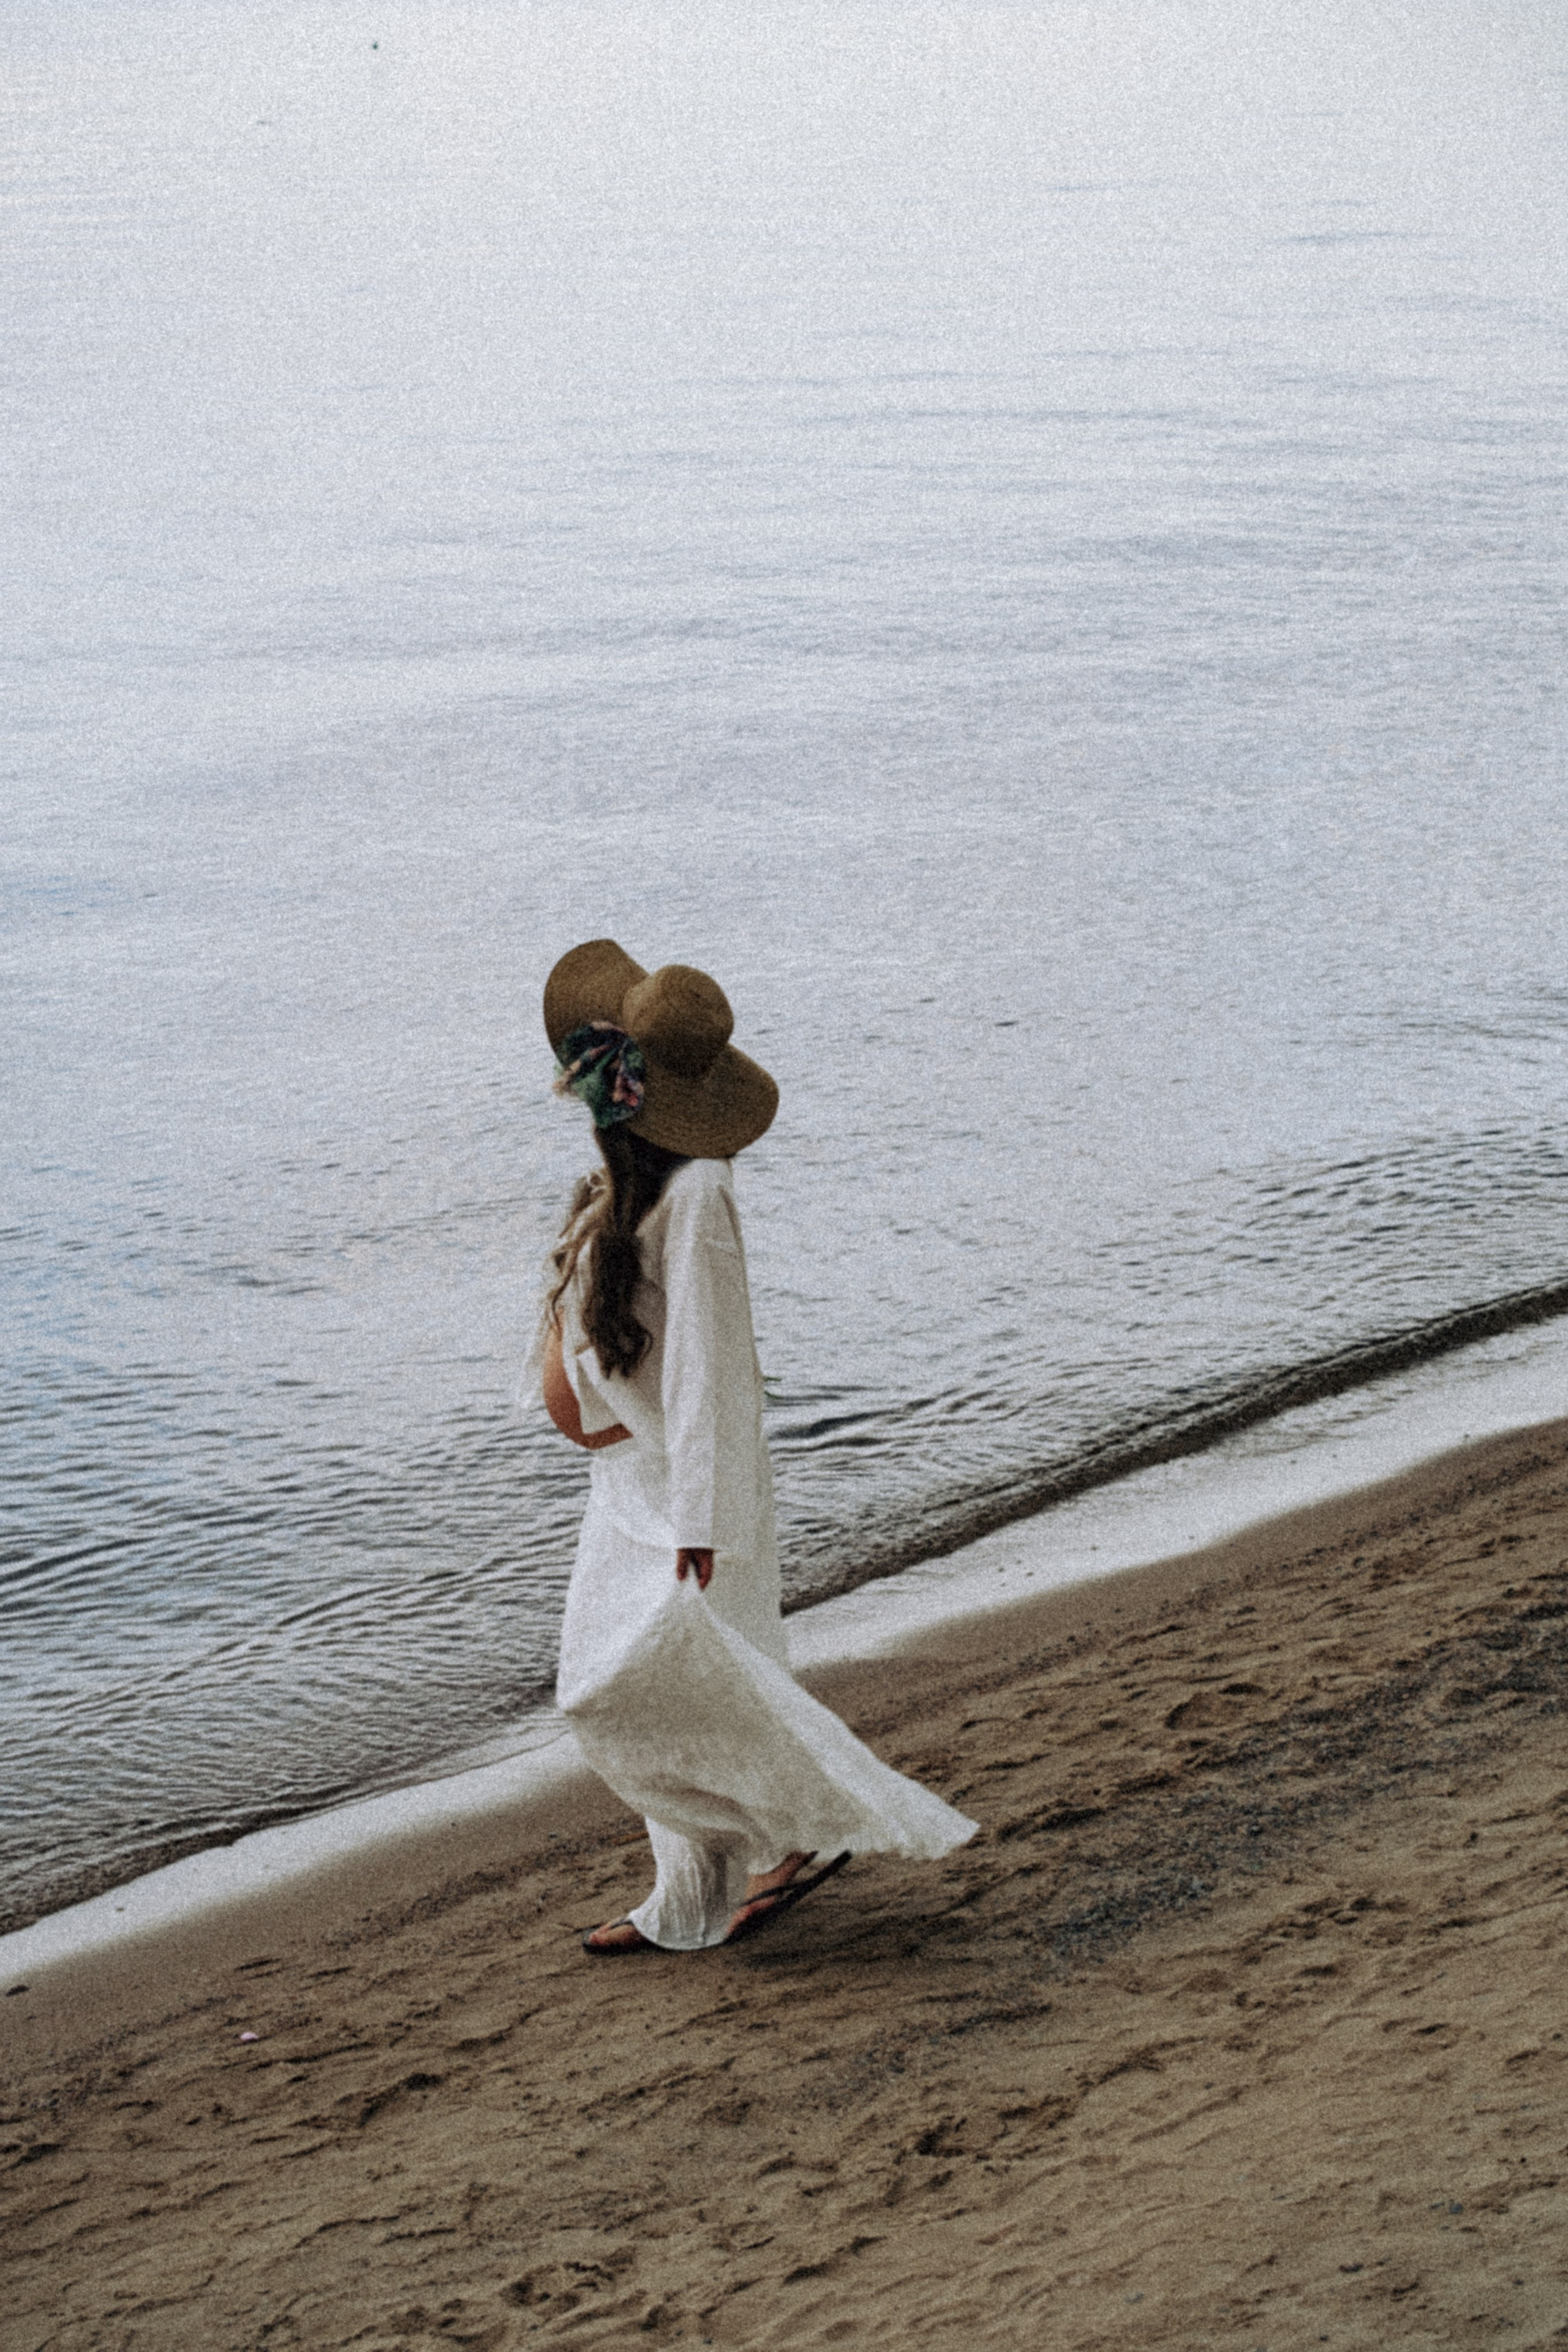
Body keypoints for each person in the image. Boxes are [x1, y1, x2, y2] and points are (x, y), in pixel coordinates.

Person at [537, 938, 977, 1954]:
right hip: (626, 1476)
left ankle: (800, 1837)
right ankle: (686, 1895)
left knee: (633, 1684)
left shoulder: (695, 1197)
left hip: (683, 1487)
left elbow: (710, 1367)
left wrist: (702, 1517)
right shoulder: (627, 1186)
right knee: (650, 1682)